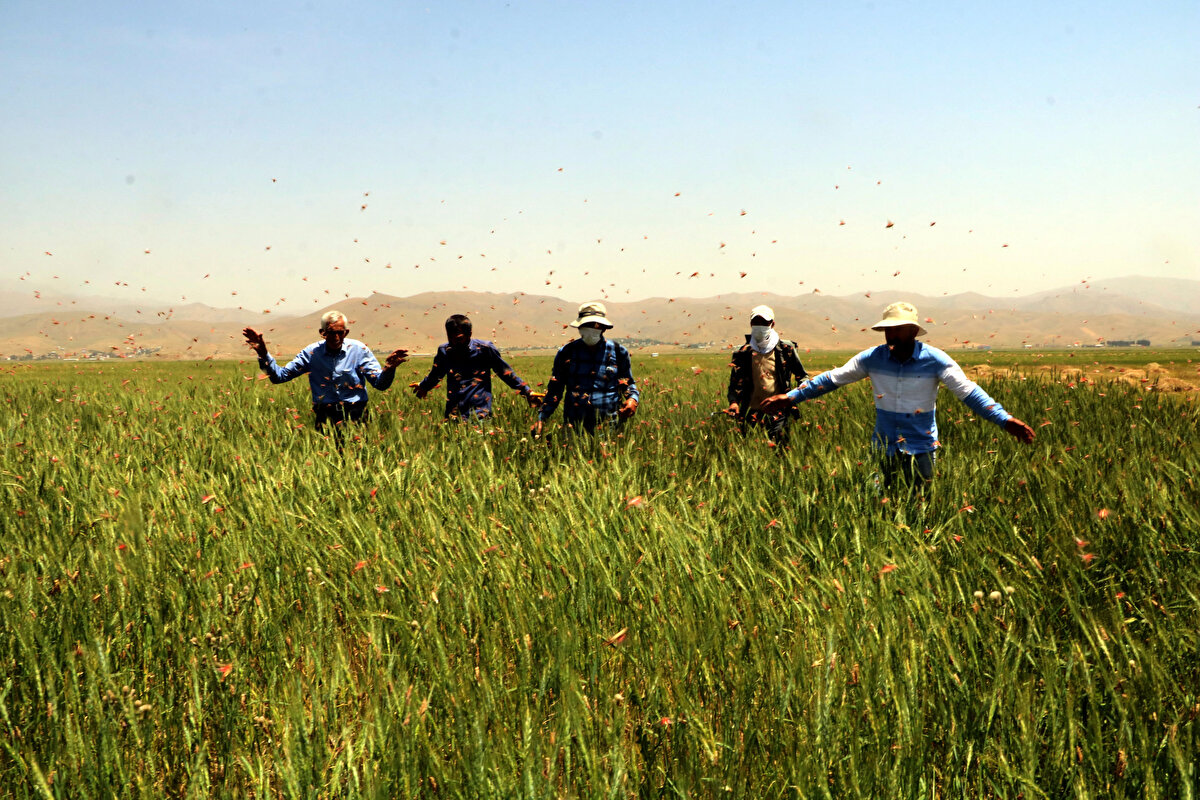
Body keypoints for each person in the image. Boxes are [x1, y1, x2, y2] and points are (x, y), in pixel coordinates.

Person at [760, 301, 1035, 490]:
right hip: (884, 449)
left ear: (914, 330)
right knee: (879, 505)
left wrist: (1004, 419)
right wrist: (792, 397)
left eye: (897, 328)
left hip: (922, 449)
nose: (890, 334)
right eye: (887, 329)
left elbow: (968, 392)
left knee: (920, 506)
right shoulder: (872, 358)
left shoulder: (937, 361)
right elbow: (833, 378)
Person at [242, 310, 407, 433]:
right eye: (331, 333)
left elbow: (380, 384)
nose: (336, 338)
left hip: (356, 417)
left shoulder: (359, 350)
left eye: (339, 333)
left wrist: (388, 369)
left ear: (346, 332)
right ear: (322, 333)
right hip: (325, 418)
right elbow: (279, 377)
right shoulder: (311, 353)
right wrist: (262, 353)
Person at [531, 301, 639, 436]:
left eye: (595, 325)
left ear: (604, 328)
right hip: (574, 427)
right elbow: (555, 390)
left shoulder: (618, 352)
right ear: (579, 327)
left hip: (609, 426)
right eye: (586, 325)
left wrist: (632, 399)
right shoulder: (566, 352)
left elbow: (627, 383)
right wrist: (542, 418)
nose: (591, 329)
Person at [413, 314, 540, 421]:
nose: (453, 341)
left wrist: (527, 391)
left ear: (469, 334)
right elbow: (436, 374)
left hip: (479, 414)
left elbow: (505, 373)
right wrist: (424, 386)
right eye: (449, 337)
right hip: (453, 414)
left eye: (458, 338)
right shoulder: (444, 351)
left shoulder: (485, 349)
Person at [726, 304, 809, 446]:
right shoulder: (742, 353)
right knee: (751, 454)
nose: (760, 326)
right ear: (751, 324)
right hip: (750, 412)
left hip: (778, 411)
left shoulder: (785, 349)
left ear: (772, 324)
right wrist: (733, 402)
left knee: (779, 452)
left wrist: (797, 395)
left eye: (764, 322)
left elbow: (802, 376)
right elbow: (734, 383)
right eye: (756, 322)